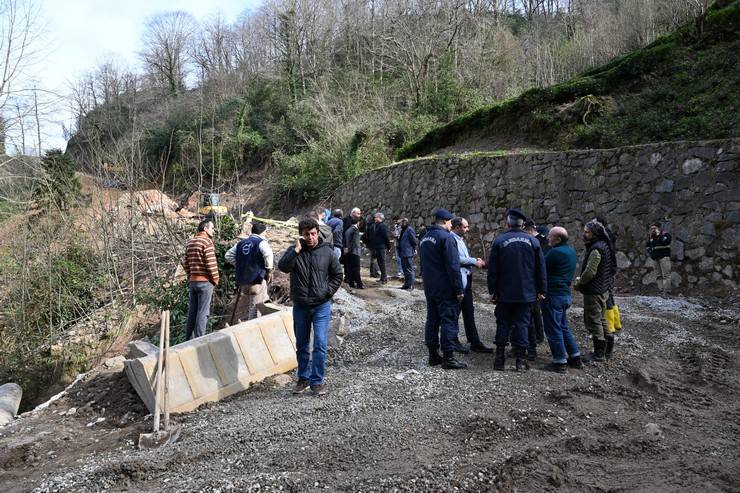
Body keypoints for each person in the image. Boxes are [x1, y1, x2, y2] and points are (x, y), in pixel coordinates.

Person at [278, 217, 343, 396]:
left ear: (317, 233)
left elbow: (338, 275)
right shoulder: (295, 251)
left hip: (321, 305)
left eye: (313, 233)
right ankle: (303, 378)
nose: (310, 237)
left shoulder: (327, 252)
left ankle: (317, 382)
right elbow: (283, 267)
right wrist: (295, 251)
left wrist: (326, 293)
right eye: (306, 234)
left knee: (320, 344)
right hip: (301, 306)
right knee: (302, 344)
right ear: (301, 235)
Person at [487, 208, 546, 372]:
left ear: (507, 223)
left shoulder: (499, 241)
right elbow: (540, 268)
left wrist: (492, 290)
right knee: (522, 325)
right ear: (523, 225)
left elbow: (493, 269)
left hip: (504, 292)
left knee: (503, 323)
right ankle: (520, 361)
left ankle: (499, 359)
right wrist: (542, 289)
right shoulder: (533, 242)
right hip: (526, 293)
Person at [419, 208, 467, 370]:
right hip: (445, 287)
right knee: (449, 320)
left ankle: (433, 355)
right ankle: (449, 357)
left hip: (430, 286)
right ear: (446, 221)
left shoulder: (425, 238)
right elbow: (453, 266)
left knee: (432, 320)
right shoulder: (446, 238)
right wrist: (459, 289)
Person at [541, 226, 582, 373]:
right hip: (565, 294)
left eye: (550, 236)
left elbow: (541, 268)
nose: (547, 238)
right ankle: (575, 356)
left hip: (554, 295)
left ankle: (559, 361)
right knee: (563, 326)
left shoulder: (555, 253)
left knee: (553, 328)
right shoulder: (571, 251)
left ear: (558, 239)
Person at [574, 219, 614, 362]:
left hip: (594, 291)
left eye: (587, 232)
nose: (584, 234)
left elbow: (590, 271)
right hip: (602, 289)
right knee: (601, 319)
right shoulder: (604, 245)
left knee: (594, 320)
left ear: (594, 233)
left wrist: (579, 283)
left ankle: (599, 353)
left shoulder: (596, 249)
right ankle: (608, 348)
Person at [450, 217, 492, 353]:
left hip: (466, 280)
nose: (467, 229)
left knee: (469, 311)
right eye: (465, 227)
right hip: (458, 281)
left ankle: (474, 341)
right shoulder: (451, 239)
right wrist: (474, 261)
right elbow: (455, 259)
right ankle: (453, 341)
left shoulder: (459, 239)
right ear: (457, 227)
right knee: (455, 312)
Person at [225, 221, 273, 323]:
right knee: (256, 309)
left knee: (254, 305)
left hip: (243, 283)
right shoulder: (261, 242)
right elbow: (268, 254)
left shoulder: (241, 243)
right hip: (257, 280)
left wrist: (241, 265)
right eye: (265, 232)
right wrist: (269, 270)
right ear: (261, 232)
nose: (266, 234)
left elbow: (228, 255)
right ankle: (253, 331)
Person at [183, 219, 220, 340]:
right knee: (203, 313)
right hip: (205, 282)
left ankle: (188, 339)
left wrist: (191, 276)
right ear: (205, 229)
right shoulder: (207, 242)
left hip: (193, 282)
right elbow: (211, 263)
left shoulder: (190, 242)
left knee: (192, 312)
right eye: (212, 228)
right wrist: (215, 279)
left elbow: (186, 263)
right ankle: (199, 340)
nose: (213, 230)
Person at [523, 219, 546, 360]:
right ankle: (537, 335)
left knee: (535, 311)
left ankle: (538, 335)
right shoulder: (538, 241)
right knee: (535, 311)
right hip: (535, 280)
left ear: (530, 230)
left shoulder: (539, 242)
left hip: (535, 281)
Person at [646, 222, 672, 295]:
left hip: (664, 257)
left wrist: (658, 235)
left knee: (666, 274)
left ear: (659, 228)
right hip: (655, 258)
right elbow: (647, 246)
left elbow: (666, 242)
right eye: (652, 229)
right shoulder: (651, 236)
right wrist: (650, 252)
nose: (653, 230)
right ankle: (661, 290)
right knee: (658, 275)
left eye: (654, 228)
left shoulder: (665, 234)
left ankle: (667, 291)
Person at [369, 212, 391, 284]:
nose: (374, 218)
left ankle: (384, 278)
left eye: (376, 217)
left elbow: (386, 237)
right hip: (377, 247)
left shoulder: (382, 226)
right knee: (379, 263)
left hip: (381, 247)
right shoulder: (377, 225)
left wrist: (388, 246)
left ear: (379, 218)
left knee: (382, 263)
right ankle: (382, 278)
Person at [343, 216, 364, 289]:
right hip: (355, 252)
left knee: (350, 268)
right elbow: (355, 243)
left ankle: (351, 283)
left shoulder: (348, 230)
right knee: (356, 269)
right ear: (358, 222)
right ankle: (359, 284)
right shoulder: (355, 230)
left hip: (349, 252)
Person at [397, 218, 417, 290]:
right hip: (403, 252)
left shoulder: (409, 229)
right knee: (405, 269)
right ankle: (406, 284)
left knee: (409, 269)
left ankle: (411, 285)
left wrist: (414, 249)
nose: (399, 224)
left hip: (408, 252)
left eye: (400, 223)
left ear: (404, 222)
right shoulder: (404, 230)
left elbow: (414, 240)